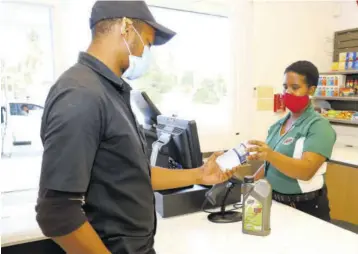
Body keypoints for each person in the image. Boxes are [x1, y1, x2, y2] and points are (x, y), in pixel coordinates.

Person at [35, 1, 238, 254]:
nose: (146, 53)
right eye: (148, 43)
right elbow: (56, 211)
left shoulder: (110, 91)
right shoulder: (82, 94)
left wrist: (199, 175)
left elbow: (132, 174)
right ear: (127, 28)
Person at [247, 60, 336, 222]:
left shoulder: (318, 126)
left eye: (295, 87)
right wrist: (248, 186)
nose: (287, 92)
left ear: (311, 90)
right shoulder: (278, 125)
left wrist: (269, 155)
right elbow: (270, 164)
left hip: (305, 207)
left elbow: (306, 171)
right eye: (285, 87)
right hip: (275, 201)